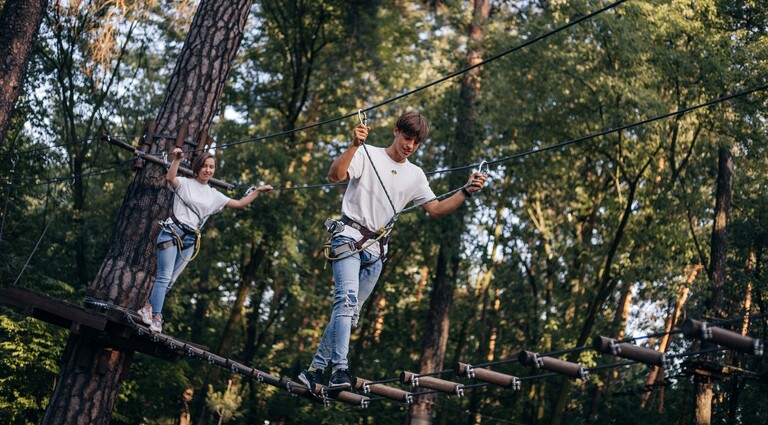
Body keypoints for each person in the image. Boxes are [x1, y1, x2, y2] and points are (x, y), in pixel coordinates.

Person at [298, 112, 487, 393]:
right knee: (346, 302)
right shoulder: (367, 154)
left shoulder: (415, 175)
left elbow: (435, 210)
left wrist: (466, 191)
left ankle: (314, 370)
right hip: (348, 239)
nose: (410, 145)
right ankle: (339, 370)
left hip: (376, 252)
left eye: (416, 142)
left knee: (350, 313)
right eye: (407, 138)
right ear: (396, 131)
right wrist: (353, 145)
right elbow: (334, 175)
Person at [138, 147, 272, 333]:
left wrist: (257, 191)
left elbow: (239, 204)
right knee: (164, 276)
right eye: (205, 166)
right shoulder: (185, 183)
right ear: (198, 167)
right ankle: (157, 317)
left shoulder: (214, 195)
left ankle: (147, 308)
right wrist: (177, 159)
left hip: (190, 240)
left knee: (171, 281)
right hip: (172, 233)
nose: (208, 170)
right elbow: (170, 178)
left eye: (212, 167)